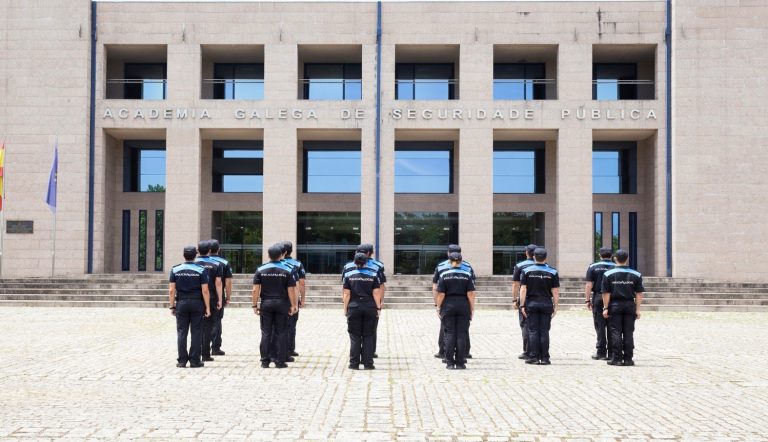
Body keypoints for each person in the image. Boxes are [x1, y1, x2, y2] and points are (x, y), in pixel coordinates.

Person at [252, 244, 298, 368]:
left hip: (266, 303)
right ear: (281, 255)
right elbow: (291, 290)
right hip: (281, 304)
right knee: (281, 332)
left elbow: (255, 290)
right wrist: (294, 305)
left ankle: (265, 361)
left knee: (266, 332)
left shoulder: (261, 269)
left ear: (268, 255)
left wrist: (254, 305)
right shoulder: (288, 269)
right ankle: (279, 361)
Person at [168, 246, 211, 368]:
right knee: (196, 332)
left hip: (181, 303)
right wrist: (207, 307)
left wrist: (172, 306)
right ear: (195, 255)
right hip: (197, 303)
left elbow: (171, 290)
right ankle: (195, 360)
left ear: (184, 255)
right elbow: (205, 290)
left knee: (182, 332)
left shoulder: (175, 269)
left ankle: (182, 360)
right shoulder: (201, 270)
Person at [601, 249, 645, 366]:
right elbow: (639, 293)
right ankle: (628, 359)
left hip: (615, 305)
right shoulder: (636, 274)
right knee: (628, 332)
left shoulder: (608, 274)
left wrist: (605, 308)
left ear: (615, 258)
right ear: (627, 259)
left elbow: (606, 293)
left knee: (615, 332)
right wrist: (638, 309)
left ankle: (617, 359)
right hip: (630, 305)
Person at [342, 243, 386, 358]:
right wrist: (380, 303)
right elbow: (380, 286)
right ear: (369, 253)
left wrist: (345, 306)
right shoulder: (377, 266)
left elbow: (346, 289)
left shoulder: (348, 267)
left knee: (355, 334)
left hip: (353, 304)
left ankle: (355, 359)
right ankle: (369, 354)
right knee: (370, 332)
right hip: (371, 303)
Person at [432, 244, 475, 361]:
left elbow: (435, 286)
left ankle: (444, 352)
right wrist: (472, 306)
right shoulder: (468, 267)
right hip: (464, 301)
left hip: (446, 301)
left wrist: (437, 304)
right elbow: (472, 287)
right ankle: (465, 353)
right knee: (463, 329)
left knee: (446, 329)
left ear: (448, 253)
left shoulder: (441, 267)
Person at [519, 247, 559, 365]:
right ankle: (545, 357)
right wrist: (555, 307)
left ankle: (534, 357)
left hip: (531, 303)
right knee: (544, 331)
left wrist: (522, 306)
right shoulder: (553, 272)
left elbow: (523, 289)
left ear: (534, 257)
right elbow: (555, 291)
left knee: (533, 330)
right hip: (546, 303)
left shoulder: (526, 271)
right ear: (546, 258)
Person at [585, 247, 616, 360]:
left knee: (600, 325)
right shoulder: (616, 267)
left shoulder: (593, 266)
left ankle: (601, 352)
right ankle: (612, 352)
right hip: (613, 298)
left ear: (600, 255)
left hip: (598, 297)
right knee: (612, 325)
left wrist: (587, 300)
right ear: (611, 256)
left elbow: (589, 285)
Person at [194, 241, 223, 362]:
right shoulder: (216, 264)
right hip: (210, 297)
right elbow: (218, 283)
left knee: (196, 327)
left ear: (198, 251)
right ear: (210, 250)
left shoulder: (192, 264)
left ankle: (196, 352)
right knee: (207, 326)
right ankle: (205, 354)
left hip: (195, 298)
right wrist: (220, 299)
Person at [511, 244, 538, 359]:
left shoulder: (520, 266)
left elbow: (516, 285)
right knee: (539, 326)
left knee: (526, 325)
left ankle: (528, 351)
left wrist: (514, 299)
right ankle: (538, 350)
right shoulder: (544, 266)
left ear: (527, 253)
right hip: (542, 298)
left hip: (526, 299)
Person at [281, 241, 306, 358]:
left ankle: (278, 349)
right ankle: (290, 349)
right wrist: (302, 298)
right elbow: (301, 283)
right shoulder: (297, 264)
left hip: (278, 298)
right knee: (291, 326)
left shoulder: (275, 264)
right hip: (292, 299)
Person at [208, 239, 233, 356]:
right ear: (218, 249)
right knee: (216, 321)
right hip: (217, 296)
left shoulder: (199, 262)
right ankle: (216, 347)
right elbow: (228, 282)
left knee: (203, 322)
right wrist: (227, 297)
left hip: (201, 296)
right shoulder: (224, 263)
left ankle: (203, 347)